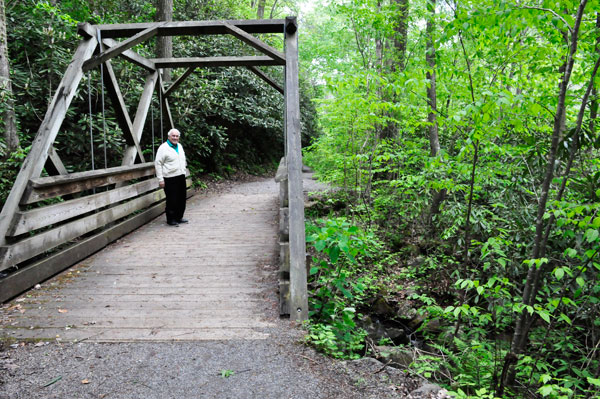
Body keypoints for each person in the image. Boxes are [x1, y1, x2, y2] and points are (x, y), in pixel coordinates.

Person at [155, 128, 188, 226]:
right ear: (169, 136)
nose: (175, 138)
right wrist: (160, 179)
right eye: (173, 136)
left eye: (177, 136)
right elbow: (158, 163)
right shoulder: (163, 148)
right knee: (172, 199)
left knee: (181, 198)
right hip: (169, 177)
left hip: (181, 175)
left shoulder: (180, 146)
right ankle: (171, 219)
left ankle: (179, 217)